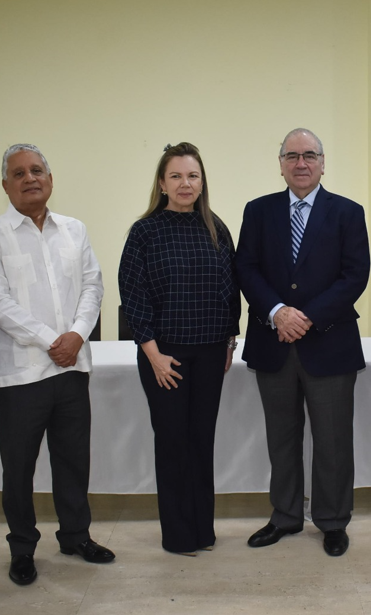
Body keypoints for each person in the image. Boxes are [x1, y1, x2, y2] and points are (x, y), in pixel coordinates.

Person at [0, 143, 113, 586]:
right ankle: (22, 548)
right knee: (20, 468)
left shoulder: (74, 229)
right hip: (21, 375)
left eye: (37, 170)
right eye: (19, 173)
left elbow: (93, 285)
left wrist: (77, 335)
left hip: (72, 369)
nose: (30, 178)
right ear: (5, 185)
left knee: (73, 460)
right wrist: (55, 340)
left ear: (50, 180)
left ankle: (75, 536)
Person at [235, 128, 370, 557]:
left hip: (329, 344)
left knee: (332, 441)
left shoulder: (348, 212)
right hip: (273, 343)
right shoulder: (258, 211)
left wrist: (305, 317)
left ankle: (332, 521)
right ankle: (285, 516)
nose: (301, 163)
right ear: (280, 164)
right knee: (282, 438)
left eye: (309, 154)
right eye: (291, 155)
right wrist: (278, 312)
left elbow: (355, 275)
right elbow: (246, 268)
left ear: (323, 162)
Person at [118, 142, 240, 555]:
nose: (185, 183)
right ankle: (178, 535)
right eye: (176, 176)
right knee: (172, 443)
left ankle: (203, 532)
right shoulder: (145, 231)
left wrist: (229, 339)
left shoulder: (216, 227)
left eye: (192, 176)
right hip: (163, 354)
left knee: (200, 442)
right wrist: (151, 353)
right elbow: (132, 296)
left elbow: (230, 289)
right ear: (162, 183)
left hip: (209, 352)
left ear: (202, 182)